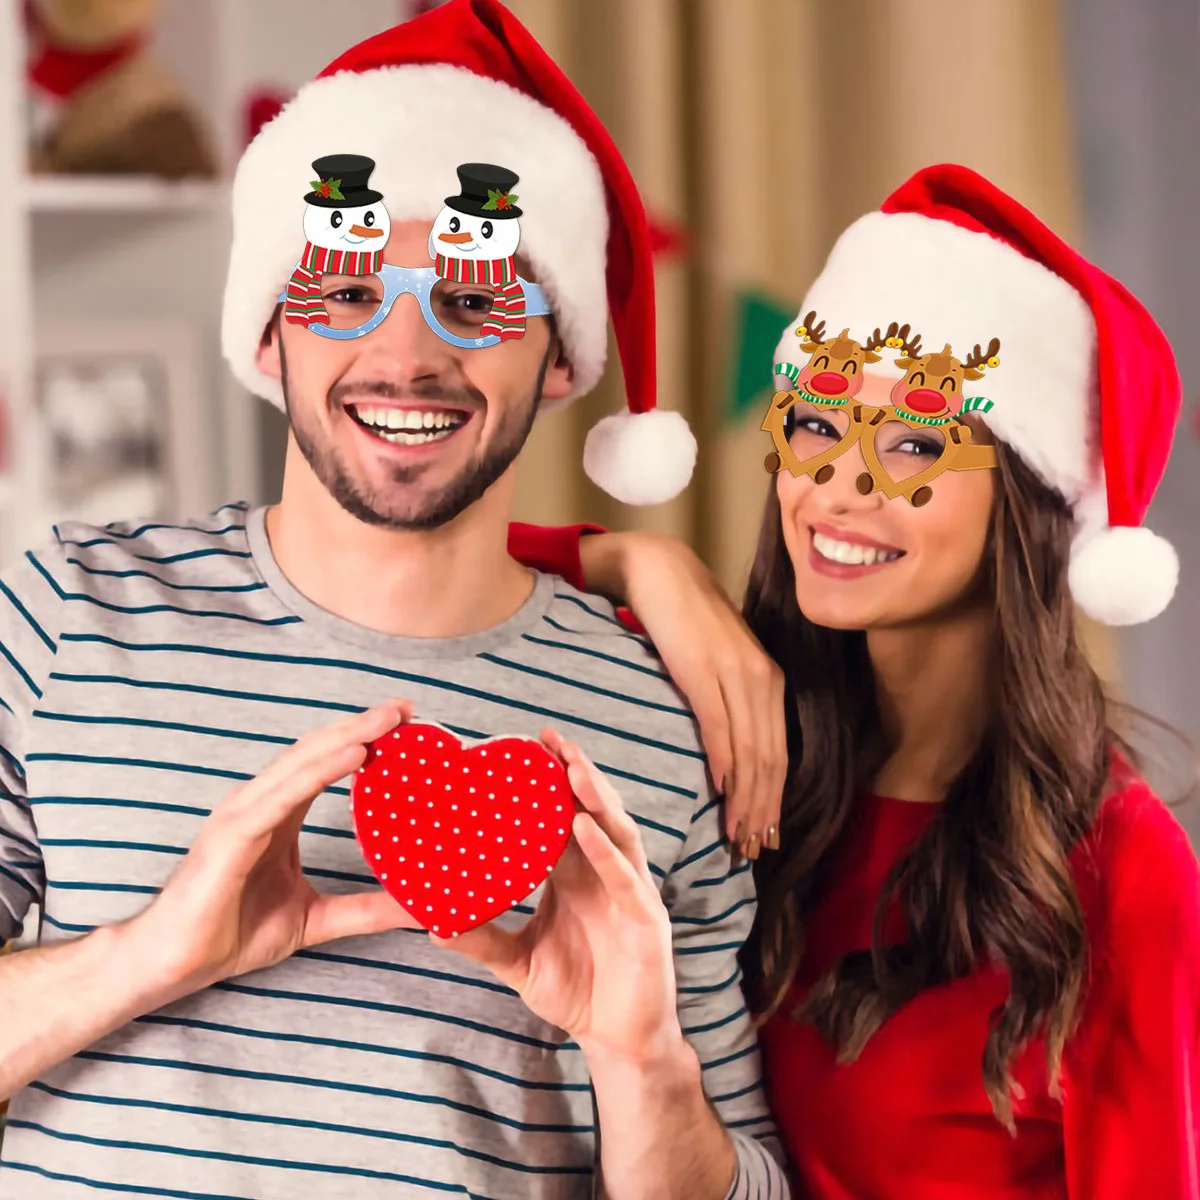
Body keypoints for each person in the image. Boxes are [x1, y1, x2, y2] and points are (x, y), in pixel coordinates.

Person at [0, 3, 791, 1198]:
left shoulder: (670, 718)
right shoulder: (62, 613)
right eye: (343, 292)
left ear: (564, 359)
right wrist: (149, 954)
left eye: (476, 304)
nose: (407, 352)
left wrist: (639, 1062)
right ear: (268, 335)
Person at [519, 165, 1200, 1197]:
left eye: (918, 442)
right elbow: (421, 560)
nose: (840, 486)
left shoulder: (1121, 870)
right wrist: (635, 561)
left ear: (1030, 497)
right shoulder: (725, 726)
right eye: (819, 423)